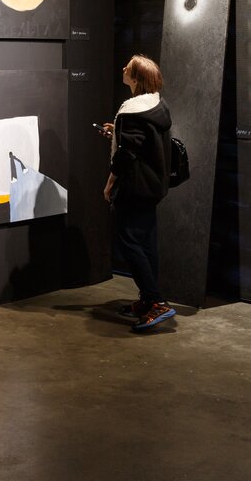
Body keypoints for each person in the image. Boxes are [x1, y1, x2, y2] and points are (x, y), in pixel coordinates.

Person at [101, 54, 175, 332]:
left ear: (136, 78)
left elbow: (126, 155)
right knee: (146, 242)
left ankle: (156, 302)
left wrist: (110, 183)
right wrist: (117, 133)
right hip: (152, 185)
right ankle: (148, 299)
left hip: (134, 187)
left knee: (128, 241)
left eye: (128, 68)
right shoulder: (156, 106)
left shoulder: (132, 111)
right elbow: (142, 142)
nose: (123, 68)